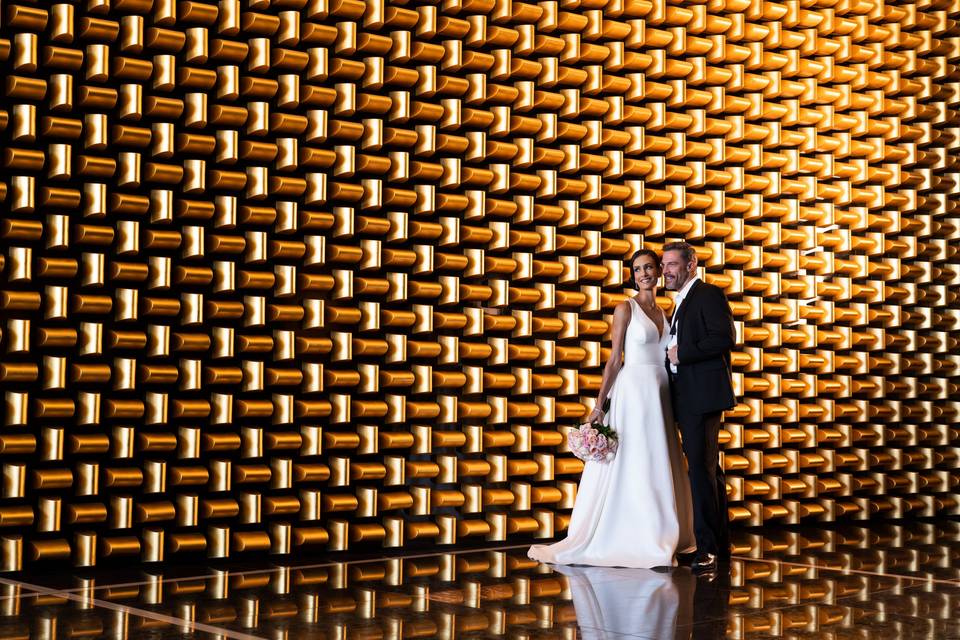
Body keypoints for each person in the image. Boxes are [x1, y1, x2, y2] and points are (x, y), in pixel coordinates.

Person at [528, 249, 695, 568]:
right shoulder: (625, 309)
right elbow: (614, 359)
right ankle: (634, 536)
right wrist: (599, 405)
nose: (643, 274)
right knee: (634, 462)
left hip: (660, 396)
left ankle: (664, 531)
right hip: (632, 393)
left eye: (648, 267)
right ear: (632, 276)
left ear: (659, 271)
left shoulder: (667, 310)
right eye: (637, 270)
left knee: (659, 459)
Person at [662, 241, 737, 574]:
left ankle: (706, 550)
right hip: (689, 397)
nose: (666, 271)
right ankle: (719, 544)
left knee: (701, 474)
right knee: (709, 471)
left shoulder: (707, 294)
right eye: (664, 265)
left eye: (672, 264)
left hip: (702, 397)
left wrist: (683, 353)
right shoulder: (680, 302)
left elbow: (724, 338)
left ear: (691, 265)